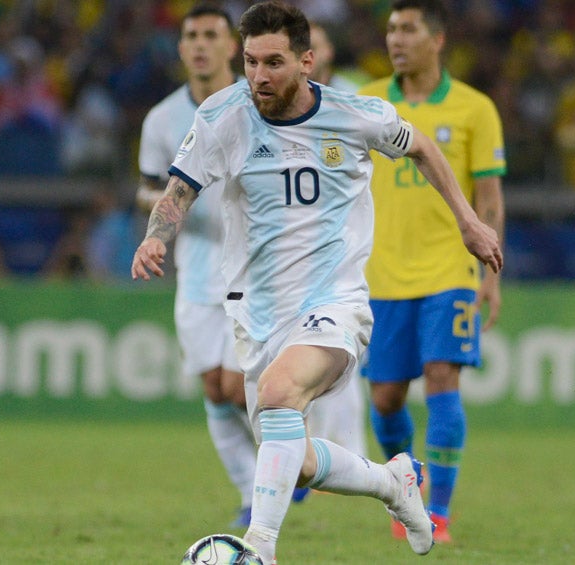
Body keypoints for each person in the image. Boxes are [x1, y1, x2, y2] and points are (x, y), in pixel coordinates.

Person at [130, 2, 502, 562]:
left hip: (335, 300)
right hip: (256, 311)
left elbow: (423, 146)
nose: (259, 76)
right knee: (295, 460)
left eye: (274, 62)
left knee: (281, 394)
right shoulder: (220, 116)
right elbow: (178, 190)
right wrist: (157, 235)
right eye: (252, 62)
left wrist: (468, 221)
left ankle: (259, 548)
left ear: (307, 61)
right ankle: (392, 483)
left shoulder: (354, 114)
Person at [356, 0, 507, 545]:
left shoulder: (474, 108)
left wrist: (490, 273)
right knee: (385, 400)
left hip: (449, 271)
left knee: (443, 379)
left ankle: (437, 513)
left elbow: (489, 199)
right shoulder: (366, 100)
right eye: (391, 29)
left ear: (437, 39)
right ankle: (409, 489)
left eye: (408, 29)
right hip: (380, 278)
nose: (395, 38)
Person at [136, 2, 261, 528]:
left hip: (255, 266)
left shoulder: (257, 103)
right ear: (182, 47)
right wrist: (172, 201)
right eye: (191, 35)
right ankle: (252, 491)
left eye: (212, 34)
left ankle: (282, 469)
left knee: (239, 388)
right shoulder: (162, 118)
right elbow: (145, 187)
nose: (201, 44)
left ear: (232, 46)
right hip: (196, 264)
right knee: (213, 387)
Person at [303, 19, 368, 462]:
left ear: (327, 53)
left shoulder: (356, 99)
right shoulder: (273, 105)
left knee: (337, 358)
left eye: (315, 44)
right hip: (292, 254)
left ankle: (347, 455)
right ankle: (307, 458)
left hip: (345, 249)